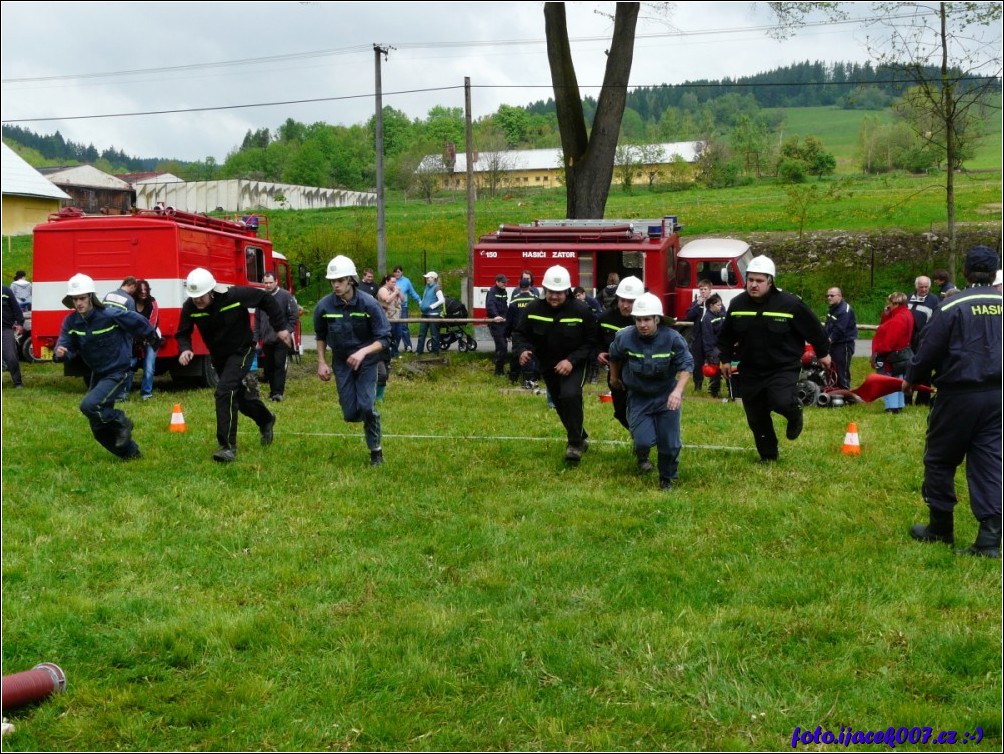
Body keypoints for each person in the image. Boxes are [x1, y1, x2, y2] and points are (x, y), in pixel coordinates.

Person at [905, 245, 1002, 558]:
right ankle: (988, 539)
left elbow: (928, 348)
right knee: (989, 460)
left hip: (959, 394)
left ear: (965, 271)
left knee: (940, 459)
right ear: (995, 271)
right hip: (998, 396)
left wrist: (911, 377)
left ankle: (940, 527)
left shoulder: (952, 306)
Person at [717, 255, 831, 463]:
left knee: (780, 400)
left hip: (782, 367)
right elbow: (726, 336)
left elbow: (814, 329)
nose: (754, 285)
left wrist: (823, 353)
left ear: (770, 281)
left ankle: (794, 412)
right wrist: (724, 359)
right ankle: (769, 456)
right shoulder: (737, 304)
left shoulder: (790, 304)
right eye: (751, 279)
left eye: (759, 281)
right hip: (750, 368)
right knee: (756, 415)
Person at [176, 268, 292, 463]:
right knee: (236, 395)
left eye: (200, 297)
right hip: (219, 356)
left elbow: (265, 299)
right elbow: (182, 332)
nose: (197, 301)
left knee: (224, 391)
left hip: (242, 349)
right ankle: (265, 419)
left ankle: (227, 447)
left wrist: (280, 327)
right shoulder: (190, 307)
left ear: (211, 291)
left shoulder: (234, 295)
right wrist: (185, 349)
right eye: (194, 297)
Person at [53, 274, 158, 460]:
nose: (79, 303)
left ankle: (121, 421)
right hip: (99, 373)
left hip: (119, 371)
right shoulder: (71, 322)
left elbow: (135, 320)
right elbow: (65, 345)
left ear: (91, 298)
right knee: (97, 426)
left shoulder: (109, 314)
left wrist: (152, 337)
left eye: (82, 298)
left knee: (89, 406)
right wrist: (61, 353)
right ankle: (131, 454)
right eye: (75, 299)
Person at [512, 264, 597, 465]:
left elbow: (591, 340)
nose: (554, 297)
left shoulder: (581, 310)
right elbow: (520, 333)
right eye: (550, 292)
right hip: (548, 364)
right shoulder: (533, 308)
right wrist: (522, 350)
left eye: (559, 293)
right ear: (544, 290)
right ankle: (580, 435)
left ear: (567, 291)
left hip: (574, 363)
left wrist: (571, 360)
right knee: (559, 403)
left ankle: (574, 444)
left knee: (570, 395)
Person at [608, 293, 693, 489]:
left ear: (657, 319)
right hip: (639, 396)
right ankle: (641, 453)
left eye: (647, 319)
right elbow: (614, 355)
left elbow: (687, 365)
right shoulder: (624, 337)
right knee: (643, 441)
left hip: (666, 396)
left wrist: (677, 392)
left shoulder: (673, 338)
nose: (642, 324)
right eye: (638, 319)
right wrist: (614, 378)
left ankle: (667, 478)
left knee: (670, 444)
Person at [314, 255, 391, 467]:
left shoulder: (369, 304)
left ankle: (375, 451)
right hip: (341, 362)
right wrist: (322, 362)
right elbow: (320, 336)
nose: (336, 285)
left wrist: (363, 352)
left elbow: (384, 338)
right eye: (333, 281)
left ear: (351, 280)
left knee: (366, 406)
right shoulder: (324, 307)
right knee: (350, 414)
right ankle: (366, 417)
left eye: (340, 280)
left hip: (367, 362)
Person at [596, 276, 644, 432]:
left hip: (643, 372)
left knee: (641, 410)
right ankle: (639, 435)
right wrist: (599, 352)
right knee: (620, 412)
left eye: (630, 302)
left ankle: (643, 441)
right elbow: (595, 340)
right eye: (622, 300)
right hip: (616, 373)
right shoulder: (605, 318)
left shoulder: (646, 319)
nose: (625, 305)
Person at [255, 272, 300, 402]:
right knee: (268, 367)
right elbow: (257, 319)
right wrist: (256, 338)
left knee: (279, 365)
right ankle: (272, 391)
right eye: (265, 282)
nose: (268, 285)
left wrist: (287, 331)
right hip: (266, 339)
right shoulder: (261, 297)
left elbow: (294, 316)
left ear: (276, 282)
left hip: (281, 339)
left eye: (270, 282)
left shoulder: (286, 296)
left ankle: (278, 393)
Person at [871, 292, 914, 414]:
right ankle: (899, 405)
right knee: (899, 379)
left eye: (889, 302)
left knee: (888, 380)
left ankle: (891, 406)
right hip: (900, 354)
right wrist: (886, 315)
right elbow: (886, 324)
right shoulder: (905, 313)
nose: (888, 305)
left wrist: (879, 352)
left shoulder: (898, 318)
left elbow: (890, 339)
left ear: (895, 303)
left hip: (890, 355)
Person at [907, 275, 940, 406]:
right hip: (908, 339)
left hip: (924, 340)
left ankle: (923, 400)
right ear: (916, 287)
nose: (924, 289)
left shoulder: (934, 300)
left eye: (926, 287)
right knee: (908, 368)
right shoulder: (909, 298)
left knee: (924, 369)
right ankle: (906, 398)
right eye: (921, 287)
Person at [505, 278, 538, 385]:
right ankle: (528, 380)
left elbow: (509, 319)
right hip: (532, 333)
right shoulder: (535, 300)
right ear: (530, 287)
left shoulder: (514, 301)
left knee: (516, 355)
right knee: (529, 354)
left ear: (519, 287)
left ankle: (513, 379)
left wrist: (507, 333)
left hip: (517, 333)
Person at [824, 287, 857, 390]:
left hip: (844, 345)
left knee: (841, 370)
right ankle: (833, 391)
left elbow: (839, 329)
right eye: (827, 296)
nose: (829, 298)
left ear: (840, 296)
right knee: (832, 369)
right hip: (834, 344)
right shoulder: (833, 308)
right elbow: (828, 326)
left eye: (832, 296)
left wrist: (828, 340)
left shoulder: (844, 310)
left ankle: (845, 393)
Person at [684, 279, 714, 392]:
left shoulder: (714, 302)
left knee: (713, 361)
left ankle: (713, 387)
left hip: (710, 336)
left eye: (705, 289)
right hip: (698, 336)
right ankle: (698, 385)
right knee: (697, 362)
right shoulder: (696, 303)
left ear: (710, 290)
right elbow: (688, 316)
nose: (702, 292)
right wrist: (697, 305)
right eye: (701, 289)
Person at [133, 279, 160, 400]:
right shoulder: (131, 302)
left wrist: (142, 337)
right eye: (141, 290)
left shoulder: (152, 302)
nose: (143, 292)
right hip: (134, 339)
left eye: (146, 289)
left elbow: (152, 324)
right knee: (130, 364)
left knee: (149, 366)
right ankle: (122, 394)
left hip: (151, 338)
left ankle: (146, 394)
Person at [699, 293, 726, 399]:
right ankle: (714, 392)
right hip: (714, 349)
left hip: (722, 347)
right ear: (711, 305)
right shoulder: (707, 318)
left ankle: (730, 391)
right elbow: (707, 337)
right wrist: (710, 352)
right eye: (718, 305)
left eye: (721, 305)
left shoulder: (721, 314)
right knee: (715, 372)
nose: (721, 307)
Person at [392, 265, 422, 353]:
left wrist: (419, 300)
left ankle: (408, 346)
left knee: (404, 326)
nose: (397, 273)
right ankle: (394, 347)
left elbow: (412, 292)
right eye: (395, 272)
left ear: (402, 272)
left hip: (403, 306)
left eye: (398, 272)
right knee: (394, 327)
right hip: (393, 307)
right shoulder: (392, 281)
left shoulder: (406, 281)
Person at [485, 274, 510, 376]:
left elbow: (505, 306)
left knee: (503, 346)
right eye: (503, 282)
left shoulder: (504, 292)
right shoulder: (492, 292)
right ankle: (498, 371)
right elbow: (490, 305)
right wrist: (496, 316)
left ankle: (500, 371)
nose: (505, 284)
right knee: (502, 346)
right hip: (495, 323)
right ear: (497, 282)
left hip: (503, 322)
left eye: (506, 282)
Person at [2, 285, 25, 389]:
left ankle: (18, 382)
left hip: (5, 329)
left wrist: (20, 323)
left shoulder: (6, 290)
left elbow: (16, 308)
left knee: (11, 356)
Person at [377, 274, 405, 358]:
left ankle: (394, 352)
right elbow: (387, 299)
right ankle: (387, 353)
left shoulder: (395, 289)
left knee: (399, 334)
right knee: (390, 336)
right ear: (387, 281)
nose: (394, 284)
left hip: (397, 317)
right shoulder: (383, 290)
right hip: (387, 318)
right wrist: (395, 293)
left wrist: (398, 291)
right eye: (392, 282)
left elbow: (403, 299)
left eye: (395, 282)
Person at [417, 271, 445, 355]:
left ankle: (435, 351)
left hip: (433, 315)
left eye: (428, 277)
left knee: (434, 334)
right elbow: (426, 298)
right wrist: (421, 303)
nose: (427, 279)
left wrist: (432, 306)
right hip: (425, 314)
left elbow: (442, 300)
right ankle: (419, 351)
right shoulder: (427, 287)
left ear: (434, 278)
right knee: (421, 334)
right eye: (427, 277)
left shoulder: (437, 288)